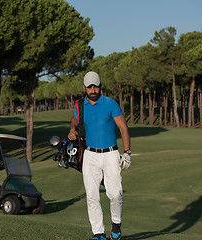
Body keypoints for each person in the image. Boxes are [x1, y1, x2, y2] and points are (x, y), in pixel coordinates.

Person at [68, 71, 131, 240]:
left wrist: (127, 153)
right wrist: (72, 129)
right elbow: (75, 120)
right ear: (84, 88)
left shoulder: (110, 104)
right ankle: (99, 233)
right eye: (90, 87)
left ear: (100, 86)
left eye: (96, 86)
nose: (93, 90)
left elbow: (123, 128)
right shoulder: (80, 106)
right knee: (92, 195)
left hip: (110, 154)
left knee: (115, 193)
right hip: (90, 155)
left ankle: (116, 224)